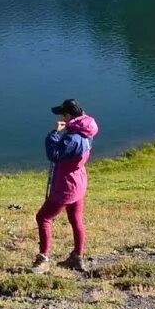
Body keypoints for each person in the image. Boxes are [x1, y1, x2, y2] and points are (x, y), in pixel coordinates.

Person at [33, 98, 98, 271]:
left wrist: (54, 133)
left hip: (65, 186)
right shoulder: (87, 131)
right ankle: (77, 257)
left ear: (68, 116)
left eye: (63, 114)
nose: (61, 117)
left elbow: (54, 154)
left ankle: (44, 259)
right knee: (76, 219)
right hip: (79, 182)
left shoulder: (73, 138)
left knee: (43, 218)